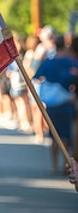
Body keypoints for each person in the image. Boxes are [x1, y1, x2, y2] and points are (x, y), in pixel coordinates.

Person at [33, 35, 78, 174]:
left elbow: (36, 77)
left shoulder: (48, 62)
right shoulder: (70, 62)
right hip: (66, 103)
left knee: (54, 135)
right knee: (66, 135)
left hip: (51, 104)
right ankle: (67, 164)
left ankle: (54, 166)